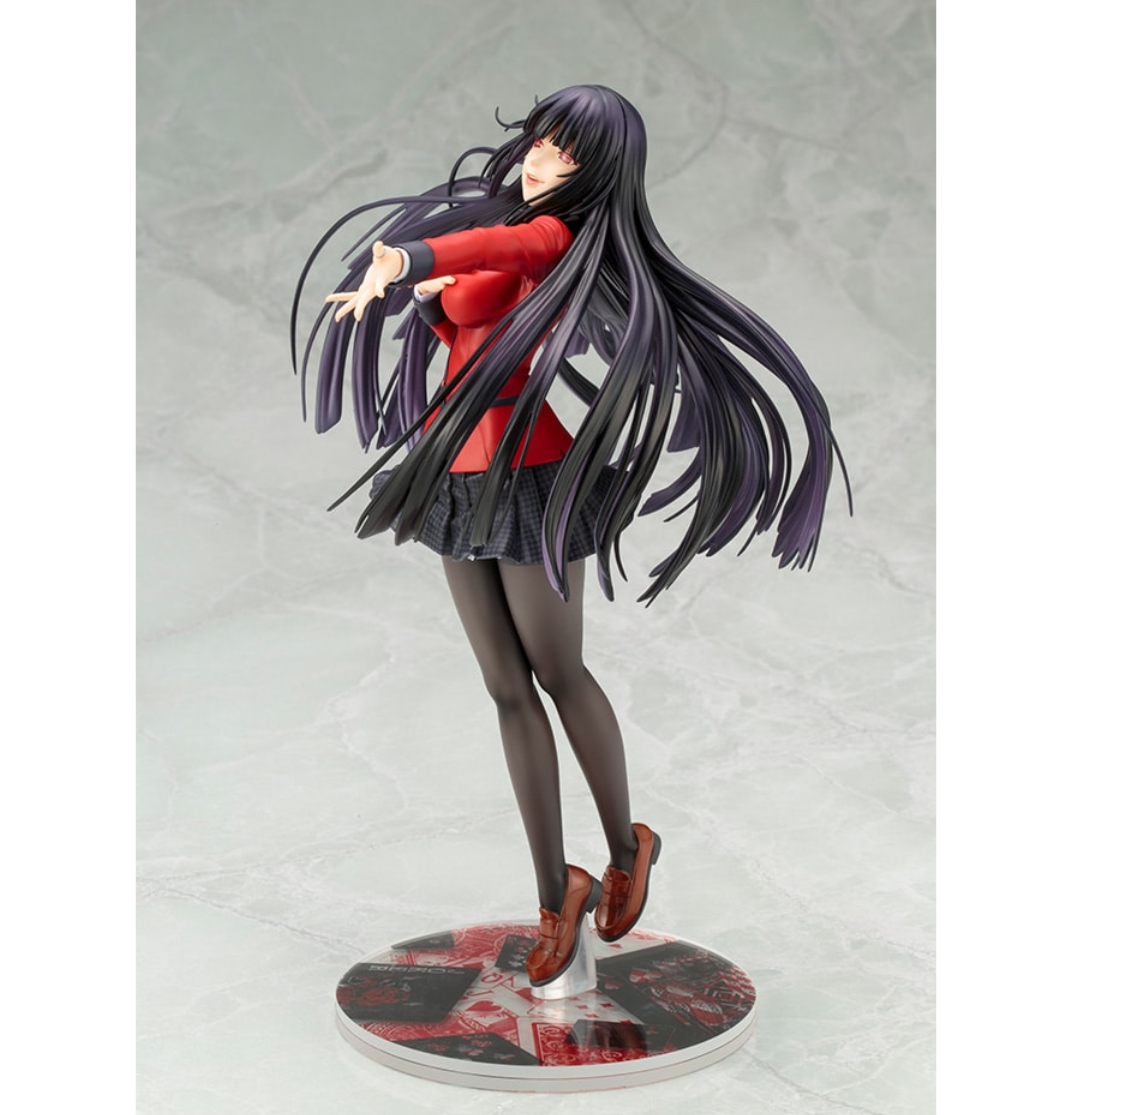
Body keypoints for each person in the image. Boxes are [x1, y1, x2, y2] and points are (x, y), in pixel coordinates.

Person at [292, 85, 847, 987]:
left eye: (566, 153)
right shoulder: (513, 224)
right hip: (454, 476)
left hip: (531, 478)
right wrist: (428, 297)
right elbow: (469, 316)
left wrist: (408, 255)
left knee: (558, 672)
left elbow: (499, 251)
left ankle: (628, 847)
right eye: (540, 143)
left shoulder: (555, 238)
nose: (540, 162)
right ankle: (557, 893)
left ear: (598, 174)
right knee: (505, 688)